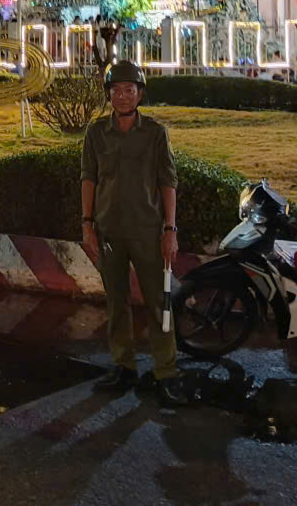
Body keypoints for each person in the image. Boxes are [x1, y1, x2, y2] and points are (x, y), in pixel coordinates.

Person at [81, 60, 186, 406]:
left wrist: (170, 229)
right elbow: (89, 179)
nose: (122, 96)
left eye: (129, 90)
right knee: (116, 302)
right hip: (108, 231)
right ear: (108, 94)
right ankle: (123, 366)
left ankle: (166, 371)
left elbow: (167, 181)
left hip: (148, 231)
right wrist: (87, 224)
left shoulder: (155, 133)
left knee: (158, 302)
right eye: (116, 90)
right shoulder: (96, 133)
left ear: (140, 94)